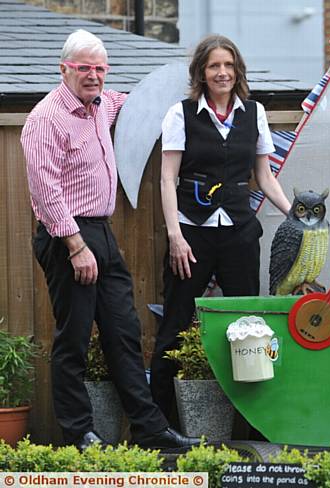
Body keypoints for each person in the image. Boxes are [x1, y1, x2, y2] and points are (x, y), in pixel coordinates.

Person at [21, 29, 201, 451]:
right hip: (68, 236)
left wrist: (197, 81)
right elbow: (46, 191)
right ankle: (78, 432)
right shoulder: (46, 119)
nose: (94, 76)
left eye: (100, 68)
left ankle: (150, 430)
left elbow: (141, 103)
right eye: (84, 68)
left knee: (124, 331)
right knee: (75, 337)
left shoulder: (102, 104)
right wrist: (75, 246)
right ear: (64, 68)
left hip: (102, 232)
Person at [151, 34, 291, 420]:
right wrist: (175, 237)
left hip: (238, 231)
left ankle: (255, 422)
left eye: (228, 65)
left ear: (237, 70)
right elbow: (167, 179)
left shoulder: (254, 113)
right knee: (176, 322)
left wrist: (295, 213)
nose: (222, 72)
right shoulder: (180, 114)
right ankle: (159, 424)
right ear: (202, 72)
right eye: (214, 66)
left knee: (250, 325)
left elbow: (264, 177)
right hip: (191, 233)